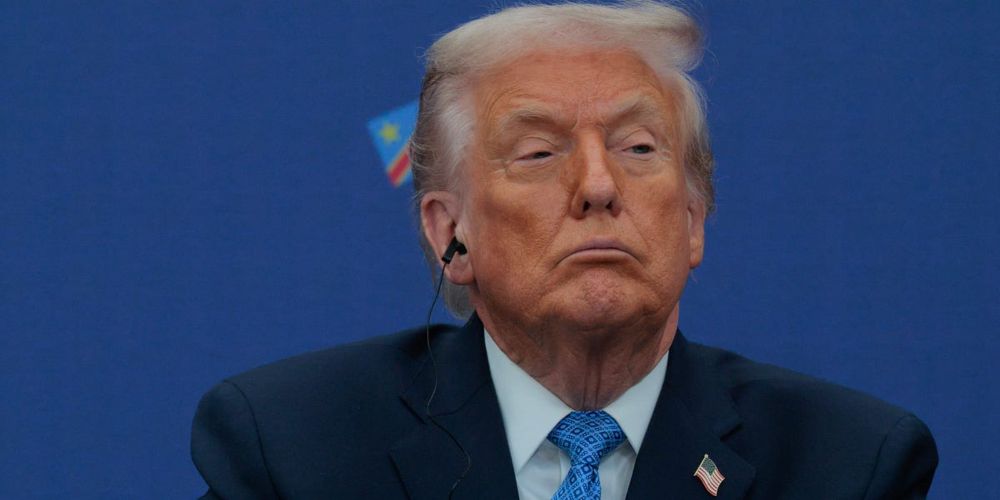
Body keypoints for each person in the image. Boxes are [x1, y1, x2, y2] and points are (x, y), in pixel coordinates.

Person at [191, 2, 938, 499]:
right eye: (539, 153)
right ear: (451, 235)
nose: (599, 186)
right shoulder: (293, 450)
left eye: (638, 147)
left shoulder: (849, 465)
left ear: (693, 220)